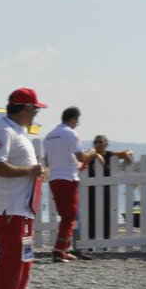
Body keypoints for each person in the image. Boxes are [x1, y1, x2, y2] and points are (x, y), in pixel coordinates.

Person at [0, 87, 50, 289]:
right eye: (35, 109)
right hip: (9, 207)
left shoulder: (17, 132)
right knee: (12, 258)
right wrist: (30, 170)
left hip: (22, 208)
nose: (36, 114)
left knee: (24, 258)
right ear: (26, 108)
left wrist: (37, 172)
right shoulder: (3, 131)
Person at [41, 106, 101, 262]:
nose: (77, 124)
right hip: (67, 179)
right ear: (73, 118)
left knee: (65, 215)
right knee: (69, 216)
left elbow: (47, 160)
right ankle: (59, 251)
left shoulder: (48, 136)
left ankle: (64, 248)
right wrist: (94, 151)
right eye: (77, 121)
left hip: (54, 178)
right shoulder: (70, 133)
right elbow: (81, 157)